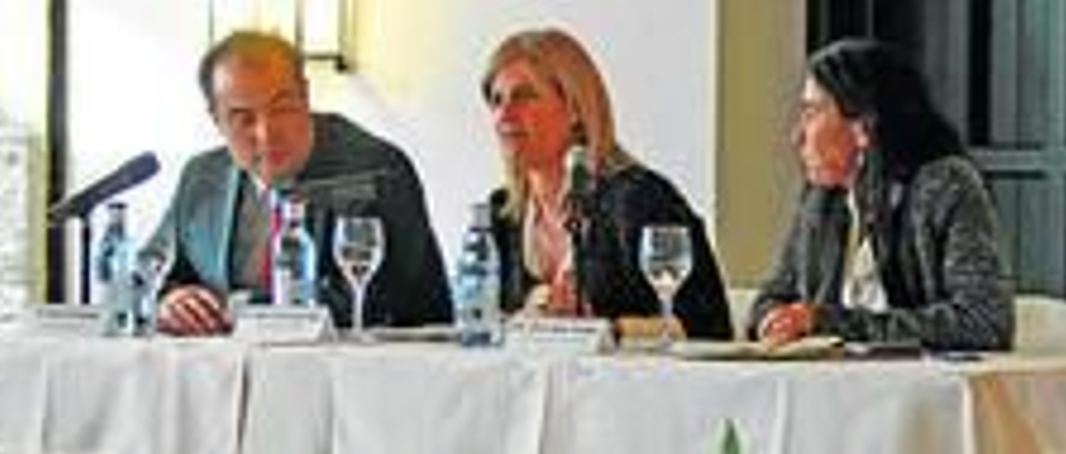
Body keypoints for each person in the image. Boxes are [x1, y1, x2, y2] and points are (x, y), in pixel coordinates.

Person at [151, 30, 450, 335]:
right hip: (227, 371)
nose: (267, 134)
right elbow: (149, 271)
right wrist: (169, 301)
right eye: (244, 119)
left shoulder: (376, 170)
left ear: (305, 96)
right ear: (216, 120)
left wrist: (235, 308)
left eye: (281, 109)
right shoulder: (202, 176)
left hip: (371, 370)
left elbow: (370, 300)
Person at [751, 38, 1016, 351]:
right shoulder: (821, 199)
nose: (797, 135)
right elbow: (771, 298)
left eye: (812, 112)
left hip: (922, 393)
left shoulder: (945, 186)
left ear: (863, 125)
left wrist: (828, 324)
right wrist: (775, 319)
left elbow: (984, 323)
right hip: (832, 390)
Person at [480, 28, 732, 340]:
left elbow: (710, 327)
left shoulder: (639, 199)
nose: (504, 114)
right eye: (495, 100)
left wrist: (605, 330)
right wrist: (528, 315)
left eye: (524, 97)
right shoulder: (500, 216)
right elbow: (477, 323)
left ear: (574, 108)